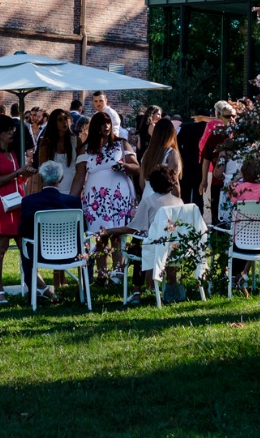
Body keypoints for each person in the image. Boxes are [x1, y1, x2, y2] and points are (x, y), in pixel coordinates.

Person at [70, 112, 138, 280]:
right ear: (95, 127)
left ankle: (118, 272)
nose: (106, 127)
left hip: (118, 197)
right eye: (102, 124)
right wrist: (70, 199)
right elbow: (79, 177)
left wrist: (125, 166)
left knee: (117, 234)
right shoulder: (85, 148)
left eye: (108, 123)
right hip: (95, 200)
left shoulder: (121, 144)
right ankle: (101, 273)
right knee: (99, 236)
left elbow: (138, 168)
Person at [0, 114, 35, 303]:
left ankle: (38, 284)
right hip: (0, 203)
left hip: (16, 201)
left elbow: (16, 178)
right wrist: (17, 173)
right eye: (8, 130)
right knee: (1, 246)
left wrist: (24, 175)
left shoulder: (12, 153)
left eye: (12, 129)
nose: (12, 132)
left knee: (25, 245)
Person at [117, 165, 186, 301]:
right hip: (176, 248)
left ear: (152, 184)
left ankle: (137, 291)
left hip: (154, 249)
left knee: (137, 245)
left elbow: (133, 228)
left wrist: (110, 231)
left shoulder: (148, 201)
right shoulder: (180, 202)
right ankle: (172, 283)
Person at [17, 159, 82, 300]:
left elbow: (23, 231)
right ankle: (83, 290)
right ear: (61, 178)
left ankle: (33, 291)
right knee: (88, 249)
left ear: (41, 177)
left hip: (39, 254)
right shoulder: (73, 202)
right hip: (71, 253)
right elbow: (83, 229)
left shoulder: (29, 201)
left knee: (25, 248)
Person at [32, 108, 77, 192]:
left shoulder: (76, 140)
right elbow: (42, 171)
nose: (64, 122)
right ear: (53, 123)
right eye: (60, 120)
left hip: (73, 189)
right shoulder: (46, 143)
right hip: (53, 190)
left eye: (65, 118)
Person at [138, 117, 183, 198]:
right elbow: (174, 183)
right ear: (172, 134)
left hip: (147, 197)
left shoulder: (147, 153)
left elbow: (141, 183)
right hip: (165, 199)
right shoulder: (171, 153)